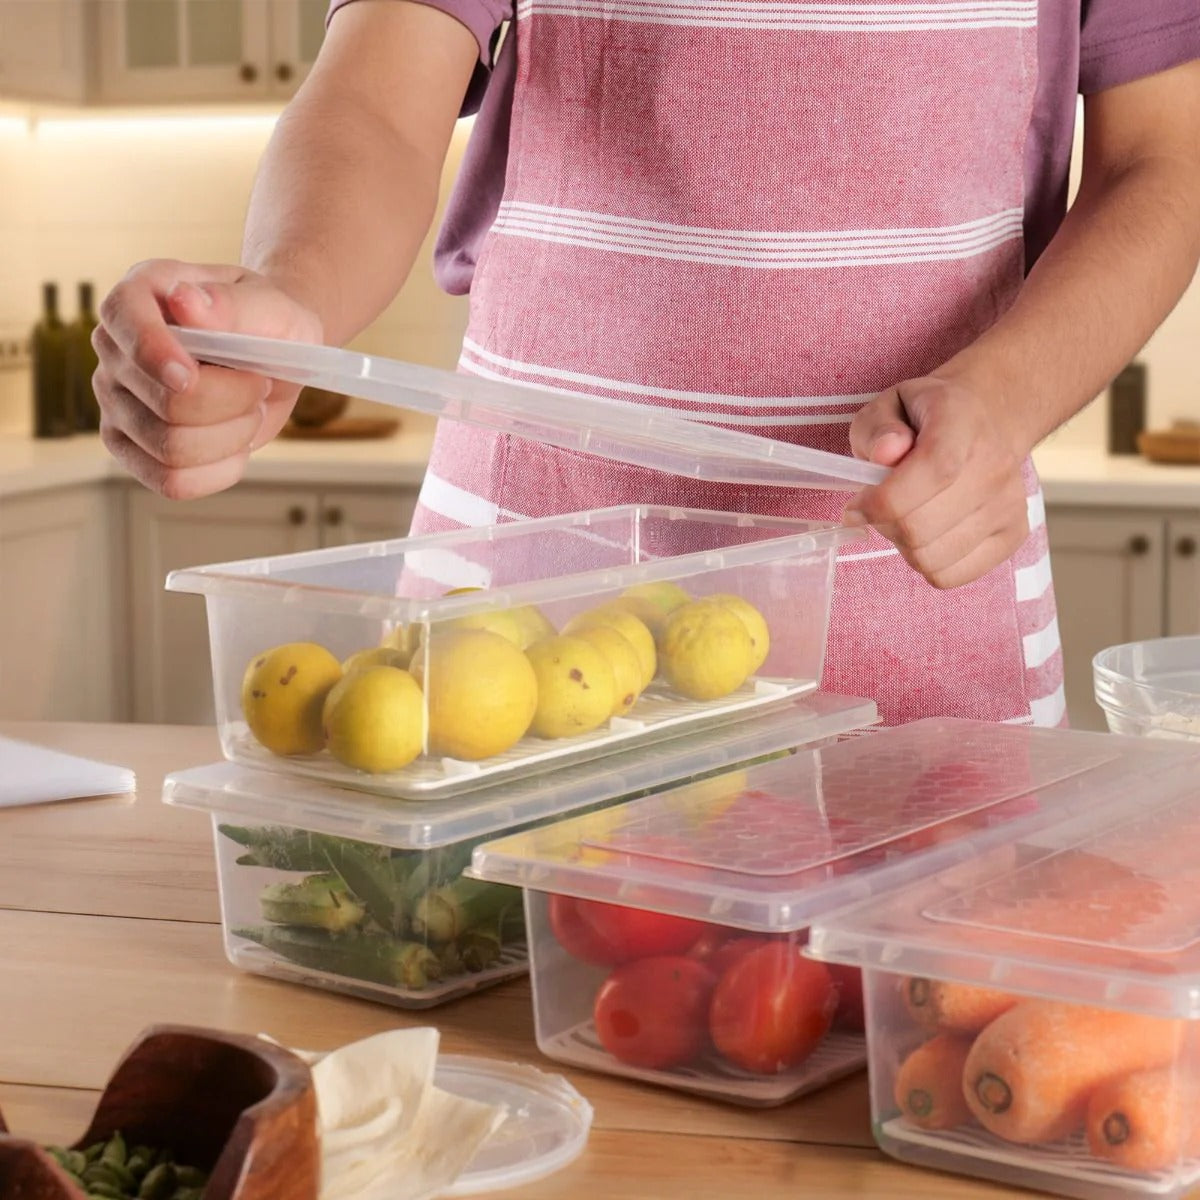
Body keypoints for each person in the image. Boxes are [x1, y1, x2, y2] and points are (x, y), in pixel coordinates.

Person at [92, 0, 1200, 727]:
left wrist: (1004, 400)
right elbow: (378, 96)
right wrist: (291, 293)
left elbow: (1161, 162)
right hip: (523, 612)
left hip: (915, 599)